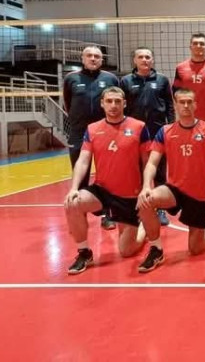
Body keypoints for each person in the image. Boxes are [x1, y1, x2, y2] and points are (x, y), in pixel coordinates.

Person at [63, 87, 151, 274]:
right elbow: (83, 160)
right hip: (102, 191)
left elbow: (147, 162)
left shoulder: (139, 127)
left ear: (124, 104)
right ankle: (84, 252)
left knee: (126, 251)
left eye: (117, 101)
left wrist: (147, 188)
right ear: (102, 103)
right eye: (109, 101)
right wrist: (74, 188)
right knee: (73, 203)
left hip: (129, 195)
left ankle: (142, 227)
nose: (113, 105)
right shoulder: (92, 129)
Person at [136, 88, 205, 273]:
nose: (186, 106)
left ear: (195, 105)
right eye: (181, 102)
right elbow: (152, 162)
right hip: (174, 189)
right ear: (175, 105)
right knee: (145, 201)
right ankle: (156, 249)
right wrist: (146, 187)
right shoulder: (165, 131)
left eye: (189, 102)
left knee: (195, 249)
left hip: (199, 194)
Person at [63, 45, 119, 231]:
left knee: (108, 176)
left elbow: (116, 101)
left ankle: (107, 215)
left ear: (102, 60)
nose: (93, 58)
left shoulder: (110, 78)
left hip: (105, 132)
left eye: (97, 56)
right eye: (89, 56)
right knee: (80, 176)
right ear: (82, 58)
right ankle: (80, 215)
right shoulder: (71, 78)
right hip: (79, 132)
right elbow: (68, 103)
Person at [120, 47, 174, 226]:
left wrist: (170, 127)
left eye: (147, 57)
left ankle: (160, 209)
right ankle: (136, 209)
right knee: (135, 173)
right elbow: (122, 108)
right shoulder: (126, 81)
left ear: (152, 60)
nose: (144, 60)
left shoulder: (162, 80)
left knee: (160, 174)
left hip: (158, 131)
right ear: (134, 60)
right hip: (134, 134)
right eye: (141, 57)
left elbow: (170, 106)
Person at [172, 32, 205, 134]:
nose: (198, 46)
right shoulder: (180, 68)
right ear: (190, 47)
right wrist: (184, 106)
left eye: (202, 44)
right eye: (195, 43)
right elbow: (175, 92)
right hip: (187, 118)